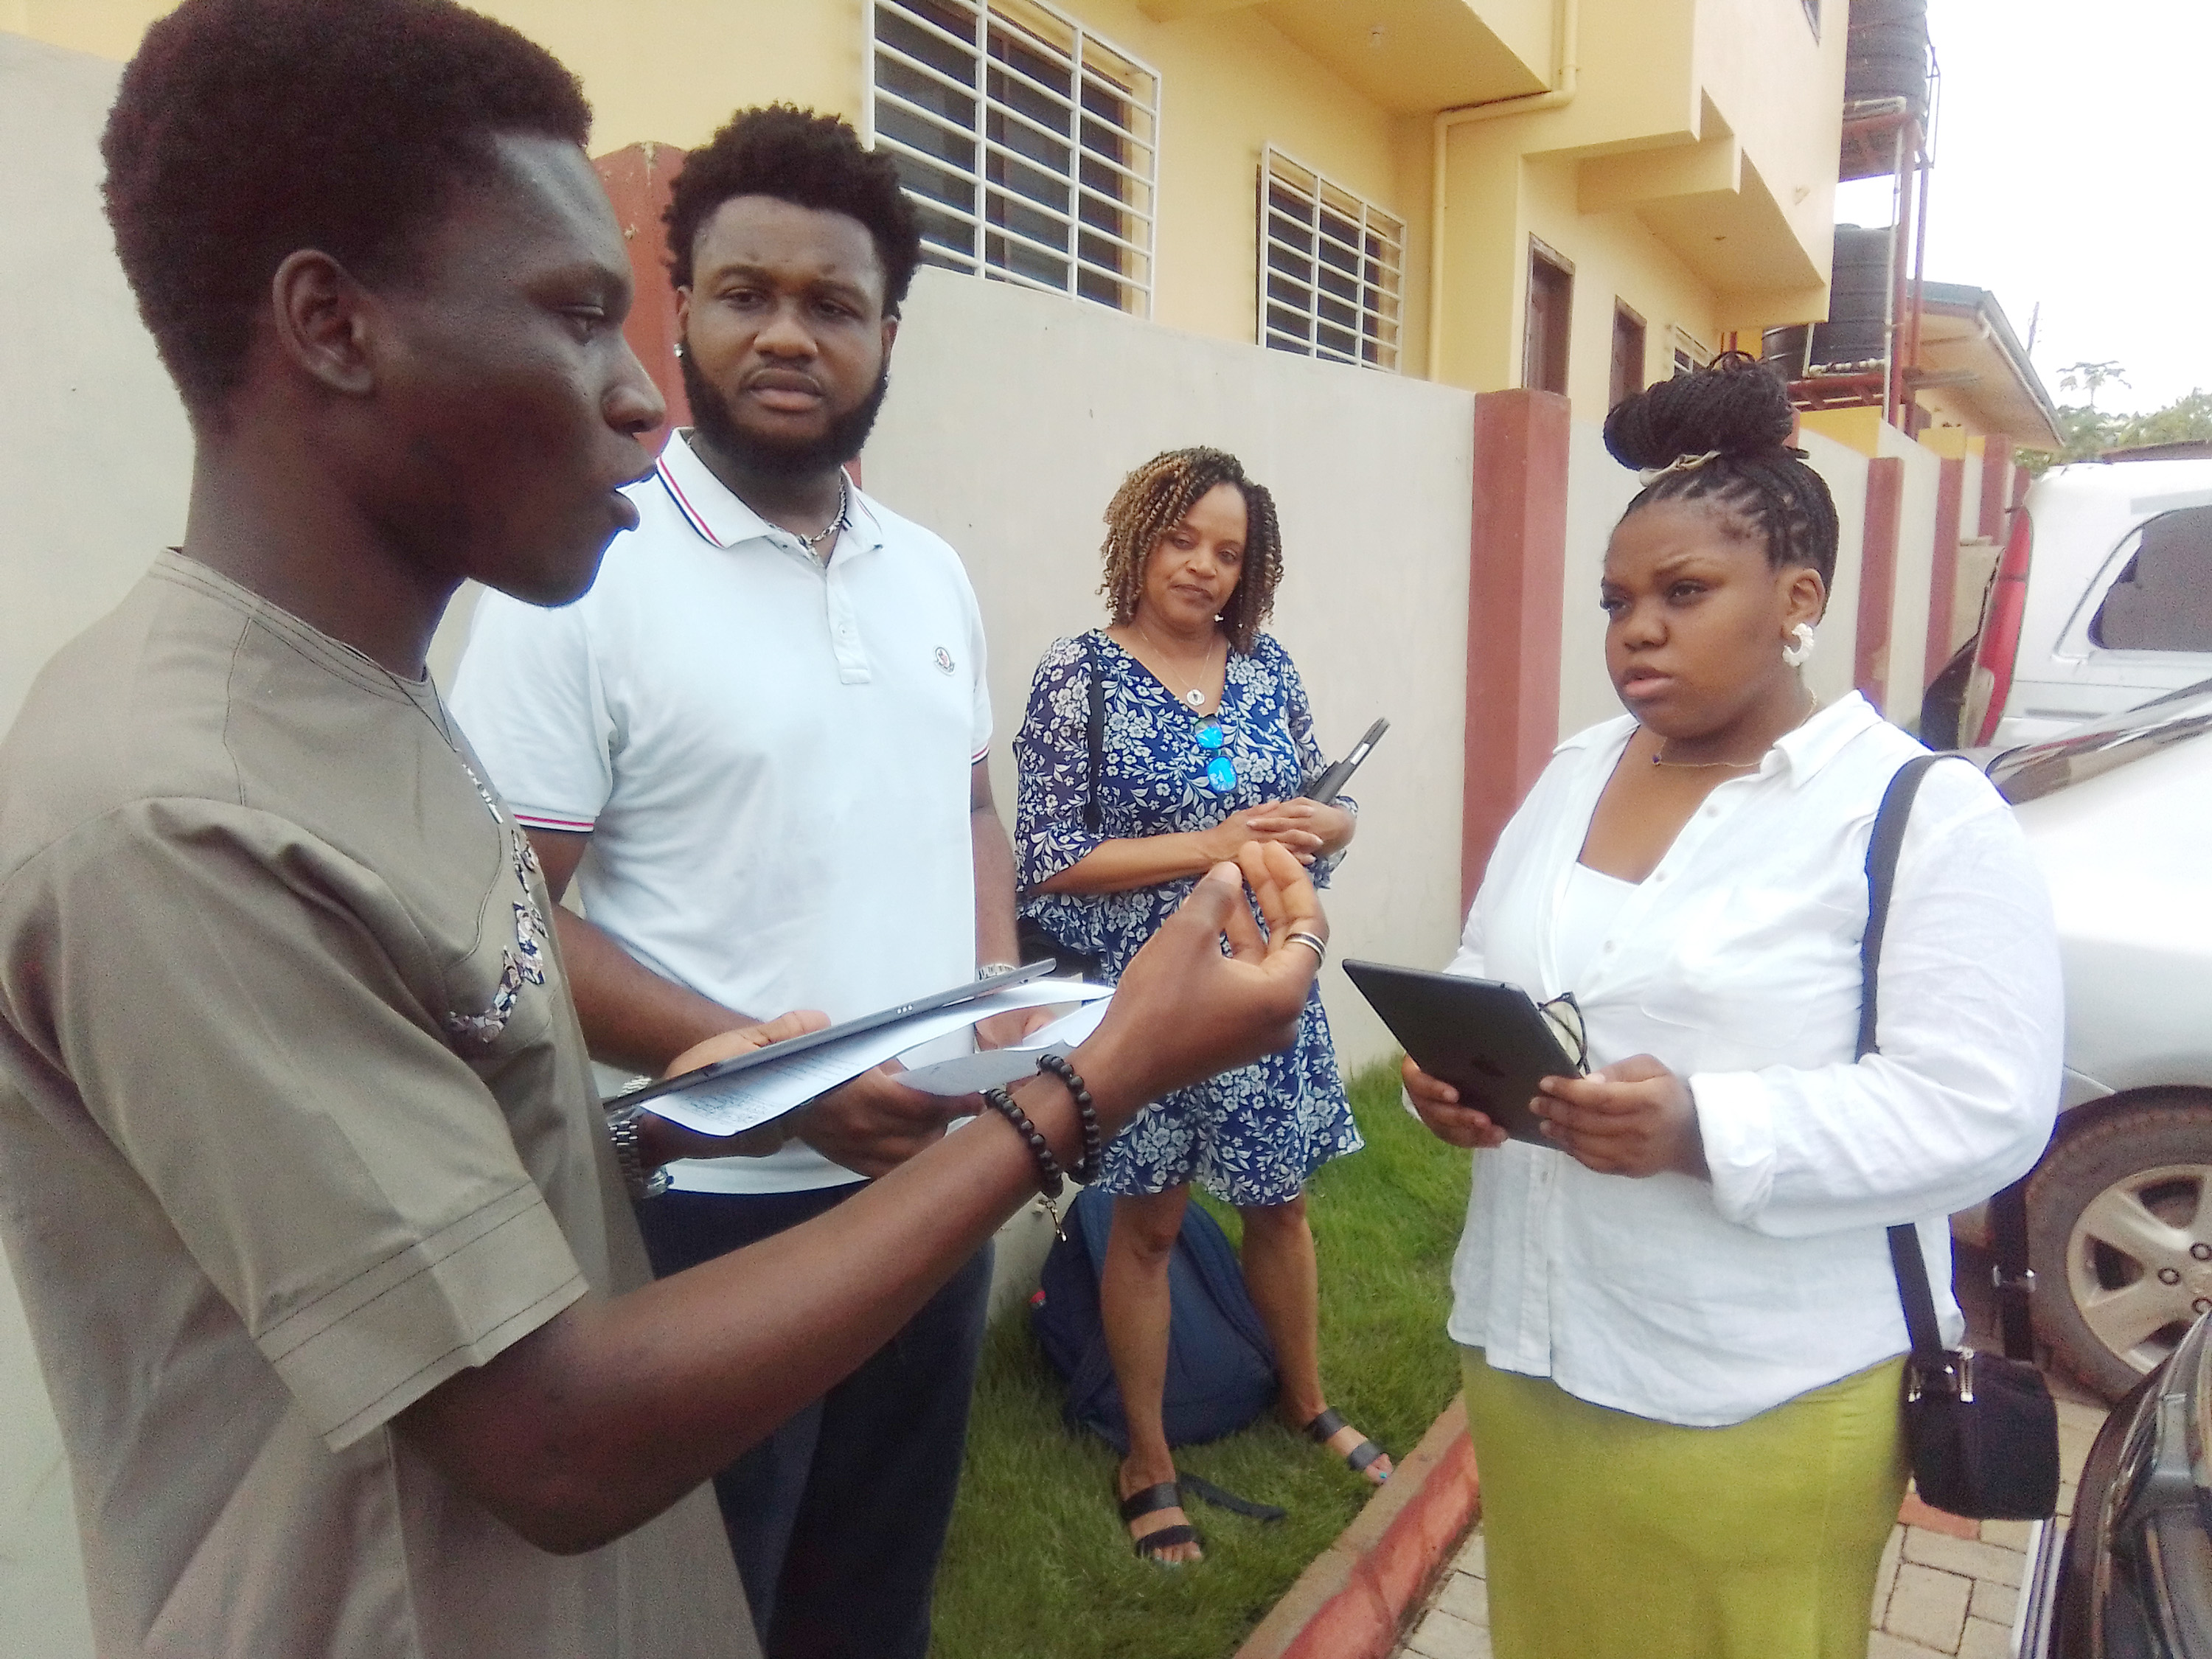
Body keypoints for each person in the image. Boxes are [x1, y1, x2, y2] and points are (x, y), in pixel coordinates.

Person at [0, 5, 1326, 1655]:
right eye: (578, 317)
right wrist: (1096, 1077)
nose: (639, 397)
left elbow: (442, 1085)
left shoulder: (363, 708)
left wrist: (669, 1116)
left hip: (848, 1211)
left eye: (830, 305)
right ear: (332, 325)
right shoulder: (182, 816)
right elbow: (549, 1436)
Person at [448, 105, 1033, 1659]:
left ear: (888, 333)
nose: (788, 334)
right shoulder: (587, 568)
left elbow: (966, 800)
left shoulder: (931, 572)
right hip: (704, 1221)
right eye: (745, 293)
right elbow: (496, 908)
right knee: (709, 1617)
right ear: (679, 306)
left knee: (872, 1604)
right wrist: (773, 1083)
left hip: (926, 1193)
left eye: (832, 304)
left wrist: (989, 1009)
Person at [1401, 355, 2062, 1659]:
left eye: (1685, 592)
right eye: (1617, 600)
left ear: (1798, 598)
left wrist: (1706, 1125)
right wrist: (1458, 1073)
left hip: (1756, 1390)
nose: (1636, 629)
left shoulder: (1915, 815)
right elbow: (1491, 957)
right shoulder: (1581, 763)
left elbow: (1985, 1111)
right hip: (1534, 1348)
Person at [1014, 447, 1387, 1566]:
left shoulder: (1267, 670)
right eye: (1184, 540)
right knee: (1151, 1223)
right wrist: (1212, 844)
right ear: (1138, 537)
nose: (1205, 568)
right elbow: (1044, 857)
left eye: (1228, 552)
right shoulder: (1078, 674)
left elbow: (1327, 798)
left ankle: (1307, 1400)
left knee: (1282, 1205)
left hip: (1266, 993)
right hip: (1151, 1002)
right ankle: (1148, 1456)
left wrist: (1336, 825)